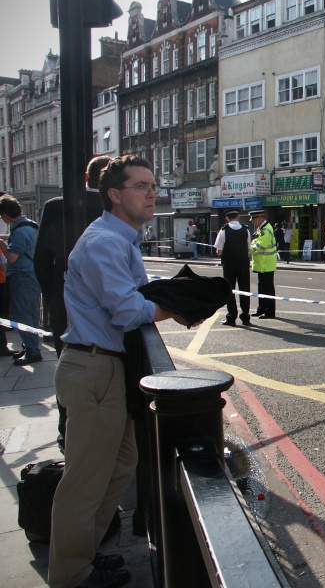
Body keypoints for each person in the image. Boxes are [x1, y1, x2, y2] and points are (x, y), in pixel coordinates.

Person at [48, 155, 188, 588]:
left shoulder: (121, 239)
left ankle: (83, 556)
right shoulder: (105, 242)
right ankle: (70, 575)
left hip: (106, 370)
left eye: (152, 185)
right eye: (141, 186)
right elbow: (129, 310)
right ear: (114, 194)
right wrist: (181, 308)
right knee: (85, 483)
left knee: (121, 465)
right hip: (93, 369)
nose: (152, 193)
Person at [34, 155, 109, 452]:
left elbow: (40, 262)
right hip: (105, 304)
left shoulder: (54, 206)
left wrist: (53, 297)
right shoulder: (114, 209)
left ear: (86, 177)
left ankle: (68, 430)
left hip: (65, 304)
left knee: (67, 364)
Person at [0, 194, 43, 366]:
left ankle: (32, 351)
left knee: (22, 315)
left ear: (5, 214)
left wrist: (2, 245)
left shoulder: (20, 231)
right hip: (32, 275)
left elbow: (12, 258)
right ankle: (30, 346)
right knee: (31, 314)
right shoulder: (30, 225)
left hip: (22, 277)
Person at [215, 209, 252, 326]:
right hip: (243, 264)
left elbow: (219, 252)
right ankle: (245, 317)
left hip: (229, 264)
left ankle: (231, 317)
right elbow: (249, 247)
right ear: (238, 217)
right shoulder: (246, 230)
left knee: (230, 290)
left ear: (227, 218)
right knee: (245, 290)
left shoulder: (223, 231)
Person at [249, 210, 278, 319]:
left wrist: (250, 248)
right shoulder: (262, 228)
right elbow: (256, 242)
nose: (253, 222)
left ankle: (269, 311)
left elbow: (260, 247)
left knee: (267, 288)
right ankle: (261, 308)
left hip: (266, 264)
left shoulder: (266, 229)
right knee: (262, 287)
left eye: (254, 220)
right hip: (263, 263)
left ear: (260, 218)